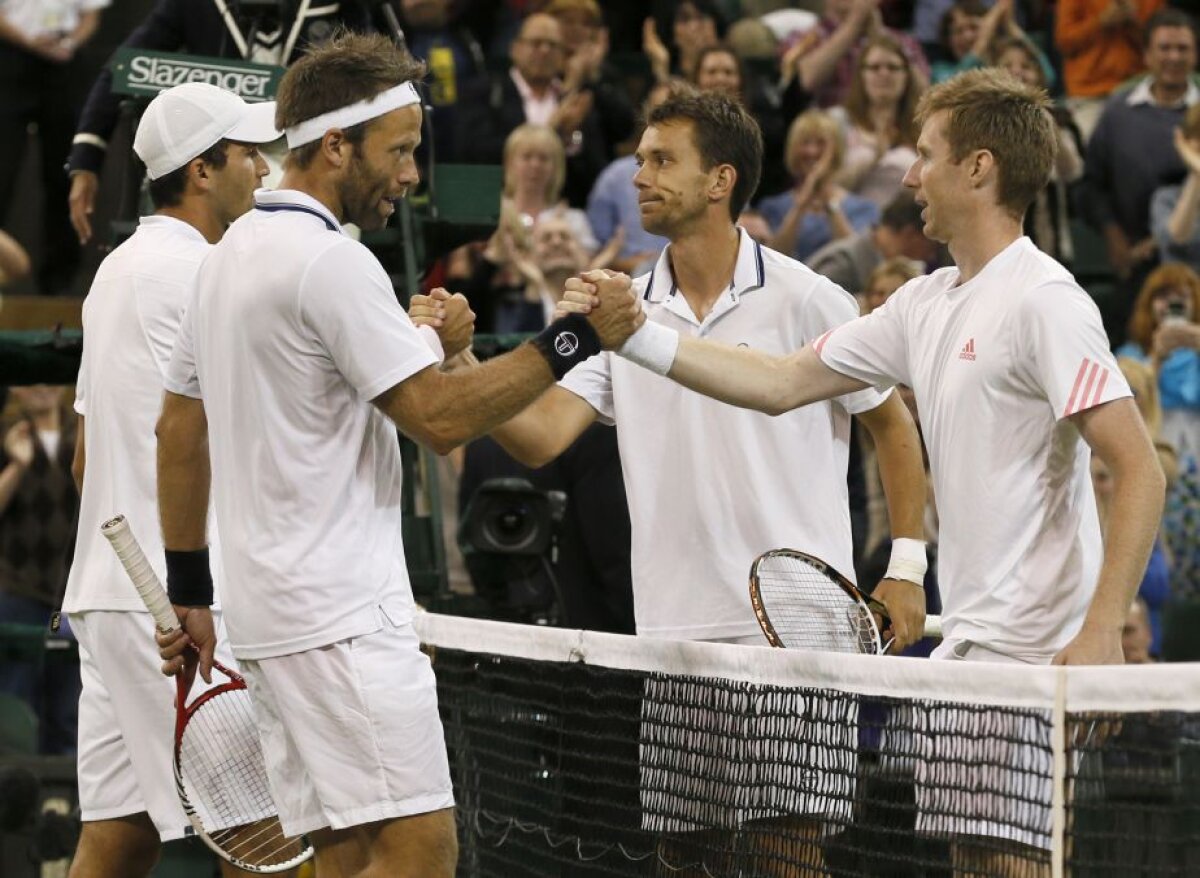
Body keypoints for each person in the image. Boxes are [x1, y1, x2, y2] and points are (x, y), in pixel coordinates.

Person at [569, 68, 1165, 873]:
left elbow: (1138, 468)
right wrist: (635, 335)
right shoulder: (924, 304)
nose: (911, 176)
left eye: (926, 156)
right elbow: (778, 383)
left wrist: (1102, 631)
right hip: (971, 651)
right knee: (975, 862)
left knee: (1010, 863)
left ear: (979, 168)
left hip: (1034, 654)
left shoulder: (1046, 302)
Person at [153, 32, 640, 878]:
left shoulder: (225, 257)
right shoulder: (331, 262)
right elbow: (439, 419)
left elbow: (178, 434)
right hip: (340, 619)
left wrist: (192, 590)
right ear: (335, 145)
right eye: (402, 151)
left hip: (267, 615)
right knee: (420, 850)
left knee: (344, 855)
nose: (413, 175)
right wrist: (574, 339)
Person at [471, 85, 927, 875]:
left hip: (795, 636)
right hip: (674, 633)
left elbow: (891, 422)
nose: (639, 174)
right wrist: (456, 369)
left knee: (790, 855)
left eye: (660, 159)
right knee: (687, 858)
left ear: (719, 181)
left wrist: (908, 568)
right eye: (640, 157)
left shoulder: (810, 296)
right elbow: (542, 436)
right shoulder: (620, 312)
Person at [61, 81, 284, 878]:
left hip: (104, 592)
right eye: (247, 154)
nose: (261, 168)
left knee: (116, 840)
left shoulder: (116, 272)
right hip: (175, 604)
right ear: (201, 169)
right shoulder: (208, 273)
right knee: (269, 845)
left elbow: (87, 458)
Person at [66, 0, 378, 246]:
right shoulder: (194, 5)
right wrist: (86, 160)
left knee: (323, 239)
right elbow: (123, 67)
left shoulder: (342, 5)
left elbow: (380, 79)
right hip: (229, 148)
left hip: (310, 149)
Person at [1078, 8, 1198, 343]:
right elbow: (1091, 187)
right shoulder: (1118, 112)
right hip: (1135, 265)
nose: (1173, 57)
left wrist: (1162, 238)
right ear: (1146, 54)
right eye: (1164, 48)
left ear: (1195, 54)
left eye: (1183, 48)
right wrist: (1115, 238)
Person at [0, 0, 108, 293]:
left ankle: (58, 285)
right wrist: (29, 41)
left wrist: (69, 42)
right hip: (10, 54)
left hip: (64, 62)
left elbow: (91, 15)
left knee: (64, 172)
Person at [0, 385, 79, 755]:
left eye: (50, 377)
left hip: (72, 596)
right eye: (33, 377)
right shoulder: (6, 435)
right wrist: (17, 463)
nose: (42, 387)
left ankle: (64, 806)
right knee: (16, 706)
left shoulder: (83, 432)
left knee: (70, 707)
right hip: (20, 593)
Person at [757, 109, 880, 262]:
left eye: (821, 143)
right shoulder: (772, 207)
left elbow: (856, 260)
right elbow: (771, 259)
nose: (812, 151)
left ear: (836, 150)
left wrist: (829, 202)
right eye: (805, 143)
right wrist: (800, 208)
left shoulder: (863, 208)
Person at [836, 33, 924, 209]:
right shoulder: (837, 121)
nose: (884, 74)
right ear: (861, 75)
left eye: (892, 67)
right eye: (875, 67)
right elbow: (826, 186)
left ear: (907, 75)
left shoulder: (924, 124)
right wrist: (874, 156)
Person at [805, 190, 940, 294]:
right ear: (910, 234)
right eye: (930, 244)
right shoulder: (843, 264)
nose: (930, 255)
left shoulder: (866, 259)